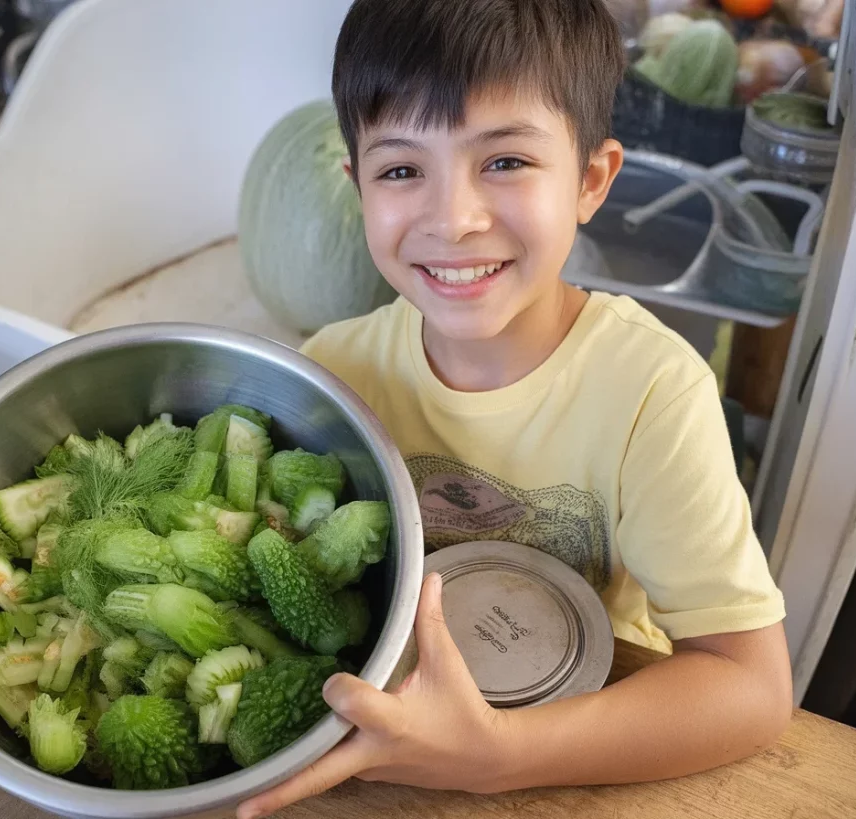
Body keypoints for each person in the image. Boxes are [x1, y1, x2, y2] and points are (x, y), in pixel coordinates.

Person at [236, 1, 792, 816]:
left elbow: (750, 685)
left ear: (591, 180)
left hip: (587, 742)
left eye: (504, 161)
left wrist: (499, 758)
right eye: (401, 170)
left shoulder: (651, 392)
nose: (453, 219)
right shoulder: (332, 370)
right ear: (358, 188)